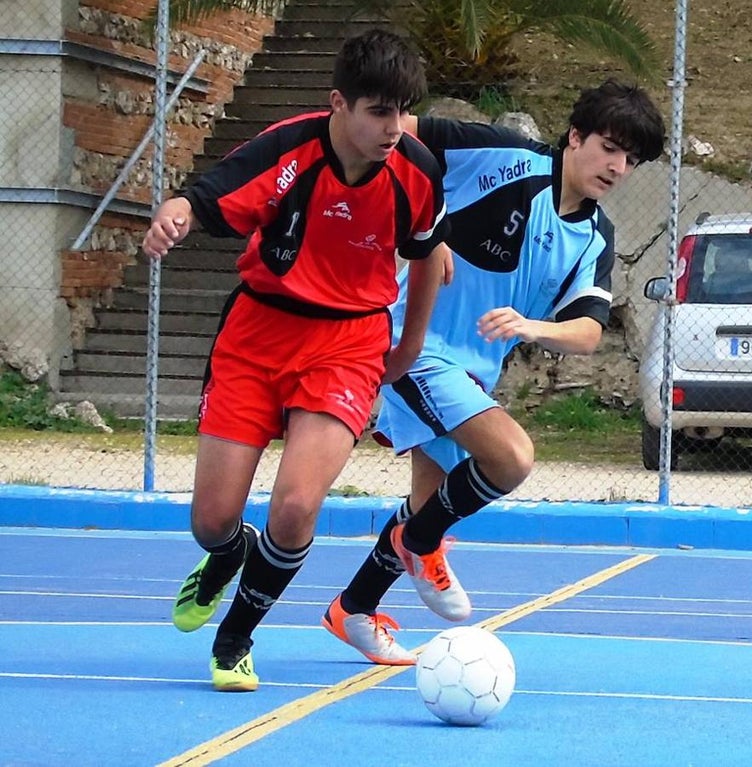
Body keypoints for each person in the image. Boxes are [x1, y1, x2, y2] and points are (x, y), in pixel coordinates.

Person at [140, 28, 450, 692]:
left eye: (401, 110)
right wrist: (174, 215)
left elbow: (429, 259)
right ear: (338, 104)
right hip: (257, 336)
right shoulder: (288, 149)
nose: (393, 126)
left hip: (348, 345)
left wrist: (410, 345)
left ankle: (236, 638)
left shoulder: (417, 173)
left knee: (295, 505)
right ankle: (231, 554)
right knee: (211, 520)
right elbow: (202, 197)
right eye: (377, 110)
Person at [321, 79, 666, 664]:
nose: (618, 166)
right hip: (413, 340)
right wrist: (424, 231)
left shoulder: (595, 238)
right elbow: (397, 132)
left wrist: (535, 327)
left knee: (429, 504)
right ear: (575, 136)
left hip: (473, 372)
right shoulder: (502, 155)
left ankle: (352, 609)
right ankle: (418, 542)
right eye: (610, 147)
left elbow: (586, 331)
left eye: (630, 160)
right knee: (510, 459)